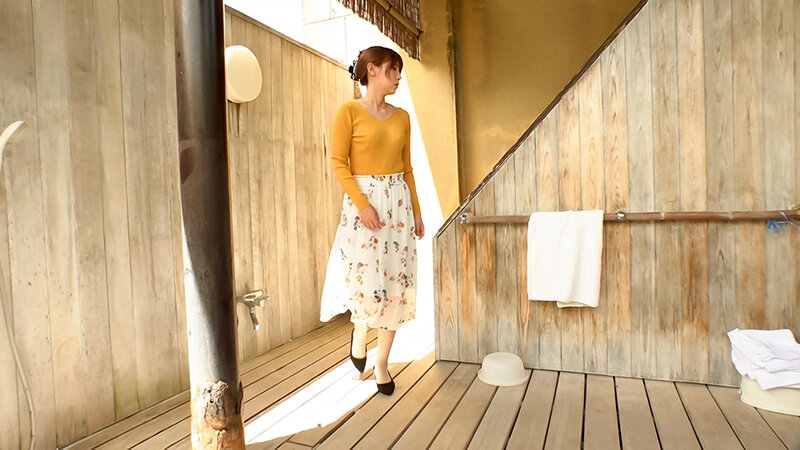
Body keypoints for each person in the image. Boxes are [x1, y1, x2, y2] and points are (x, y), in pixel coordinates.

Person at [319, 46, 424, 395]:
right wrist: (363, 205)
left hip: (398, 206)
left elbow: (407, 168)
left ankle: (381, 364)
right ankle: (360, 331)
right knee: (365, 282)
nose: (398, 77)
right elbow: (339, 163)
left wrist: (417, 212)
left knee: (393, 285)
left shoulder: (402, 117)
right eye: (393, 69)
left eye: (399, 71)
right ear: (373, 70)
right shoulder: (348, 111)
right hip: (363, 206)